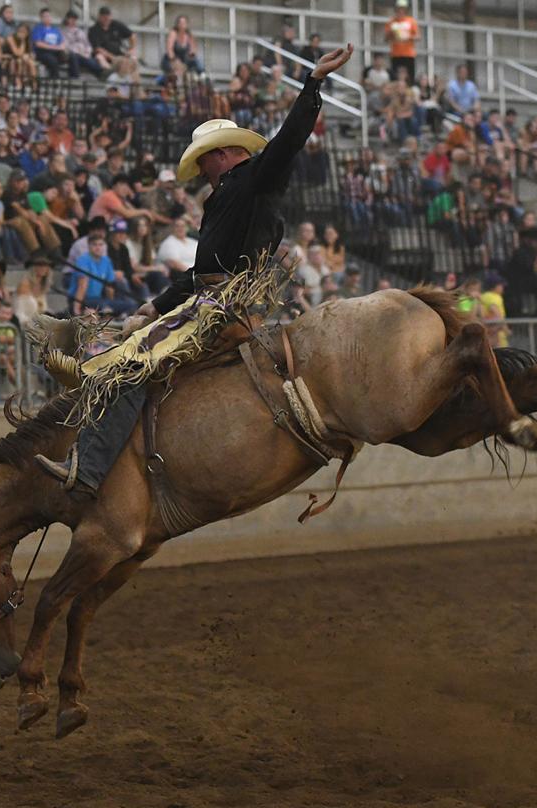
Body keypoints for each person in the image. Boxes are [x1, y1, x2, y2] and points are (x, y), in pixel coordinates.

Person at [35, 43, 355, 497]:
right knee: (133, 349)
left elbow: (288, 143)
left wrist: (313, 84)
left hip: (223, 307)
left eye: (203, 158)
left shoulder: (255, 181)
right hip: (208, 299)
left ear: (223, 153)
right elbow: (199, 272)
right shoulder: (225, 195)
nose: (200, 168)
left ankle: (88, 469)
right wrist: (153, 304)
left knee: (134, 365)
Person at [385, 0, 419, 82]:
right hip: (395, 54)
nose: (400, 10)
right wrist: (391, 34)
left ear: (406, 9)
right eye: (399, 8)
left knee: (410, 77)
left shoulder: (411, 21)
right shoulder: (391, 22)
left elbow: (418, 36)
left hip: (409, 54)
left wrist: (408, 37)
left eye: (402, 8)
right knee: (395, 77)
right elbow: (386, 38)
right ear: (396, 9)